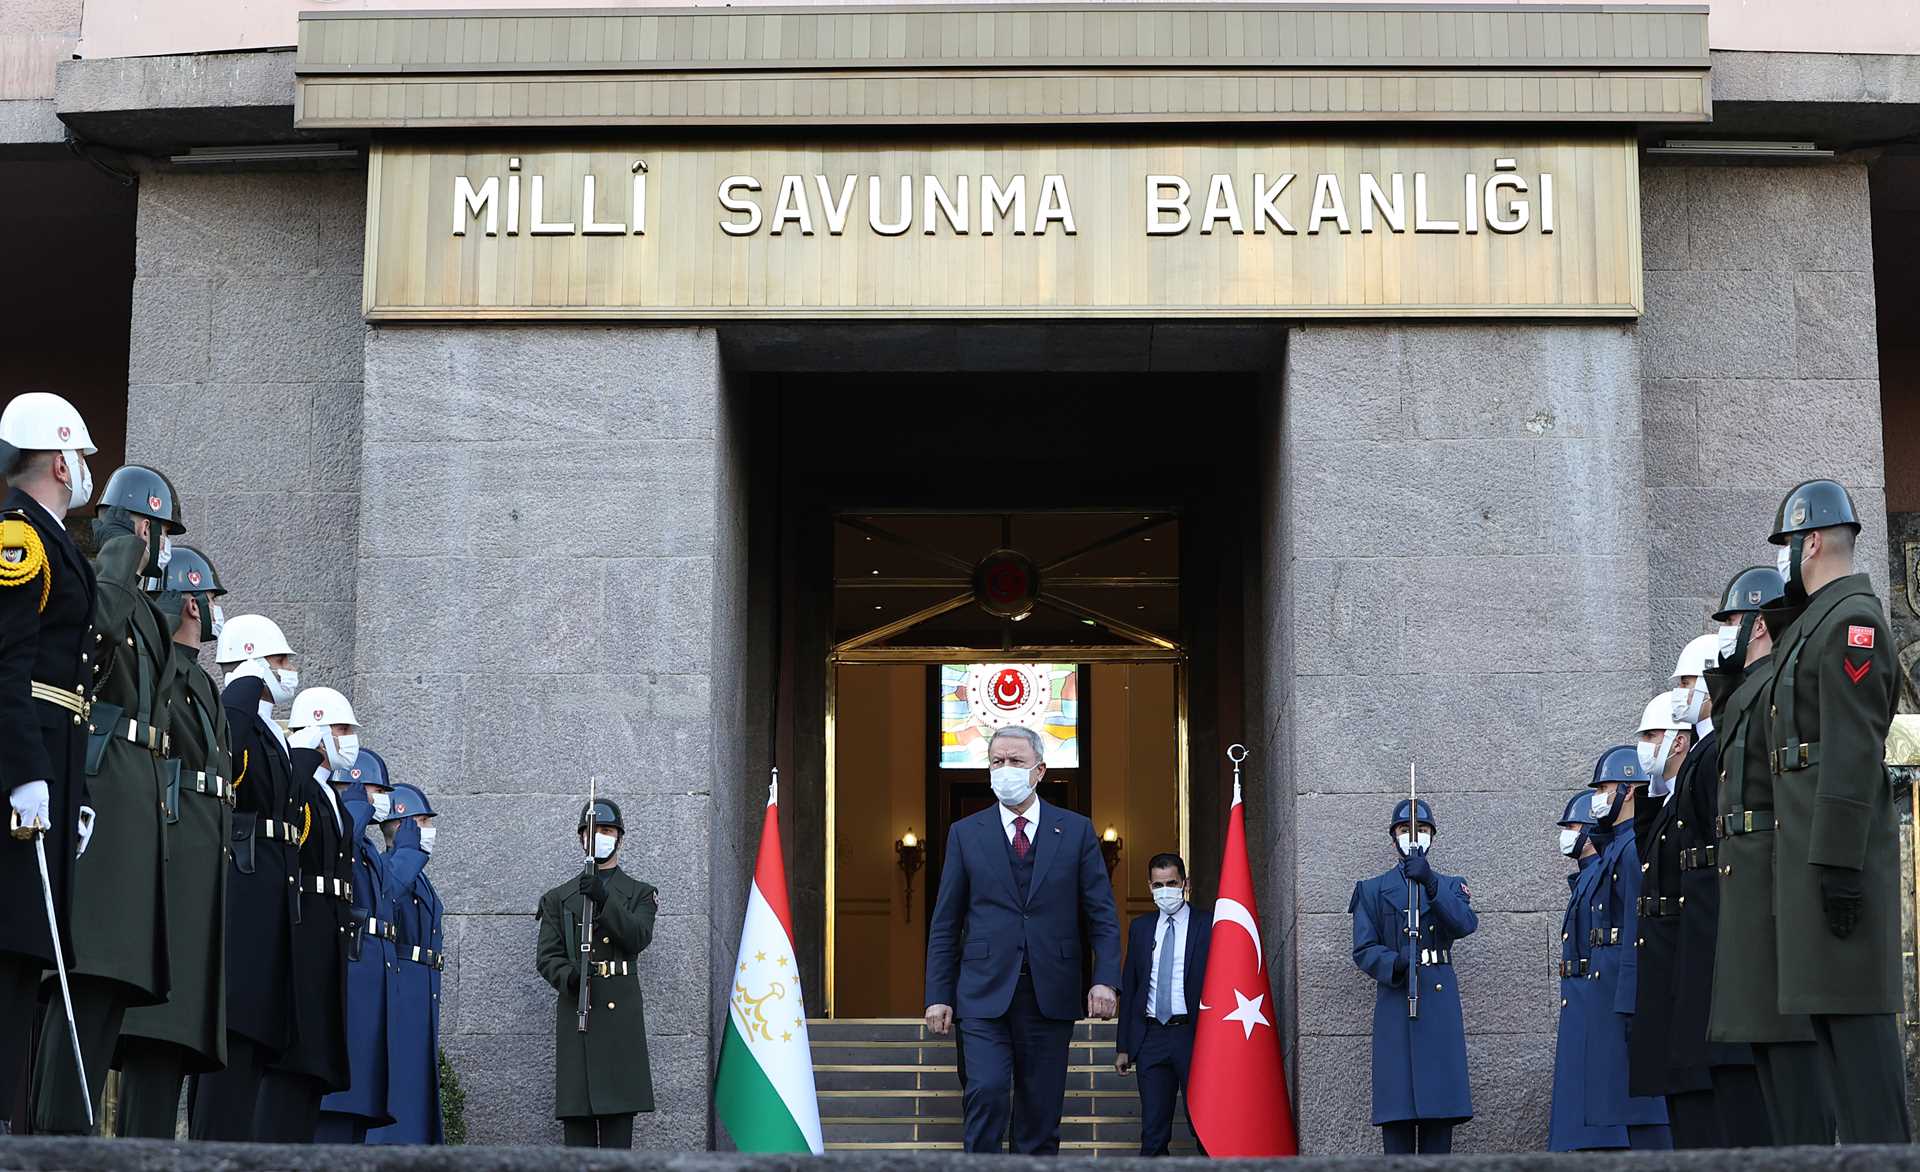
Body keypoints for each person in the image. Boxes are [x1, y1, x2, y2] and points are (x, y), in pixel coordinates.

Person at [32, 464, 183, 1135]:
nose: (163, 545)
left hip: (137, 806)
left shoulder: (145, 609)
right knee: (86, 979)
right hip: (104, 796)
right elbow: (91, 644)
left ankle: (77, 1136)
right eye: (159, 529)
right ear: (140, 526)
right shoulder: (100, 580)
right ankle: (55, 1136)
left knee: (113, 987)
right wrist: (121, 552)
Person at [1760, 479, 1910, 1142]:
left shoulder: (1852, 623)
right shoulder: (1816, 622)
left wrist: (1839, 864)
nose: (1785, 558)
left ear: (1811, 541)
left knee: (1864, 1068)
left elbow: (1850, 749)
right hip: (1813, 865)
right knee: (1837, 1057)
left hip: (1835, 865)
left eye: (1789, 544)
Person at [923, 724, 1121, 1155]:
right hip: (982, 992)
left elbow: (1101, 915)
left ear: (1040, 770)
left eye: (1016, 761)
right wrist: (938, 995)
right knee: (987, 1091)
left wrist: (1105, 979)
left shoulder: (1075, 830)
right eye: (997, 762)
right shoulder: (965, 833)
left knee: (1040, 1114)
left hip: (1050, 991)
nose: (1005, 769)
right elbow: (945, 923)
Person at [1707, 562, 1839, 1145]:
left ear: (1758, 624)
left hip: (1774, 894)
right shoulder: (1748, 692)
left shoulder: (1775, 688)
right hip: (1752, 893)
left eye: (1731, 620)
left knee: (1796, 1073)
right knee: (1771, 1063)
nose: (1722, 633)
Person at [0, 391, 98, 1136]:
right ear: (60, 461)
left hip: (55, 759)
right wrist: (24, 771)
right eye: (81, 458)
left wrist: (74, 785)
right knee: (10, 946)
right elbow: (9, 663)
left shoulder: (54, 540)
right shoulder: (19, 538)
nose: (86, 470)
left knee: (32, 951)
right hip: (25, 764)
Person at [116, 546, 234, 1138]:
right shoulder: (165, 669)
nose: (213, 609)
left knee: (180, 1032)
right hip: (173, 854)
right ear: (190, 601)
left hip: (201, 860)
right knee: (157, 1033)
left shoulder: (203, 683)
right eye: (208, 597)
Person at [190, 613, 303, 1140]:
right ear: (254, 660)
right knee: (236, 1032)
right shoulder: (235, 714)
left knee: (255, 1036)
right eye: (280, 661)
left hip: (269, 888)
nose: (288, 671)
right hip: (244, 882)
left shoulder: (268, 729)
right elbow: (225, 760)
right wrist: (242, 689)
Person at [1666, 609, 1772, 1149]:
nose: (1683, 692)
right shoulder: (1704, 750)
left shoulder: (1718, 745)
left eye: (1689, 680)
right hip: (1703, 923)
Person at [254, 686, 359, 1142]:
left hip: (326, 930)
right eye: (341, 729)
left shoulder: (328, 794)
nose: (349, 739)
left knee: (314, 1058)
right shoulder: (298, 782)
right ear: (317, 730)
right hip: (302, 926)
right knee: (292, 1059)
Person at [1347, 799, 1475, 1155]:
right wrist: (1395, 962)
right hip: (1397, 1003)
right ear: (1394, 837)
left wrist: (1430, 883)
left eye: (1421, 830)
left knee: (1438, 1120)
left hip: (1437, 1004)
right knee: (1397, 1119)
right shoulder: (1371, 890)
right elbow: (1363, 948)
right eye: (1405, 830)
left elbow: (1464, 924)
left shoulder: (1450, 886)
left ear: (1432, 836)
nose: (1413, 837)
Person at [537, 799, 657, 1149]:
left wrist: (605, 900)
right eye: (592, 831)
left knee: (618, 1140)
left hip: (619, 1023)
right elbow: (547, 956)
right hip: (580, 1015)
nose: (599, 837)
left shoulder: (640, 893)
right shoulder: (559, 898)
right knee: (579, 1141)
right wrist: (570, 976)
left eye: (607, 830)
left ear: (619, 837)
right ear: (581, 838)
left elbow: (637, 937)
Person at [1626, 683, 1704, 1142]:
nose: (1644, 746)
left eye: (1651, 736)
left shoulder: (1691, 793)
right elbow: (1649, 860)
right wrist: (1653, 793)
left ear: (1678, 742)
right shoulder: (1666, 800)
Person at [1585, 745, 1672, 1150]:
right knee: (1624, 1106)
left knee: (1643, 1113)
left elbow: (1638, 926)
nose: (1599, 797)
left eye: (1605, 788)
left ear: (1629, 790)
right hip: (1609, 984)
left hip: (1624, 986)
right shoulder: (1616, 846)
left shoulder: (1632, 847)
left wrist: (1631, 998)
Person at [316, 746, 399, 1143]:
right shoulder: (343, 831)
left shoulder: (367, 848)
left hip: (369, 987)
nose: (382, 799)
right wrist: (352, 812)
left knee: (356, 1122)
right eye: (376, 790)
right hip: (348, 981)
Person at [1115, 851, 1211, 1157]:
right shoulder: (1141, 928)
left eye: (1172, 883)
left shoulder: (1208, 924)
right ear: (1149, 887)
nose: (1165, 891)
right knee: (1153, 1134)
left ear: (1185, 884)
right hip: (1151, 1037)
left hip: (1194, 1036)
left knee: (1206, 1129)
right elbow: (1131, 986)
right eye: (1158, 885)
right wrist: (1123, 1046)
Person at [369, 778, 446, 1145]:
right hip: (400, 989)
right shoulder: (387, 871)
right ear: (401, 825)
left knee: (417, 1091)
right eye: (422, 822)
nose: (429, 829)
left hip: (421, 991)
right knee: (399, 1087)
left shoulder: (419, 877)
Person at [1550, 789, 1626, 1152]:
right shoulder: (1587, 876)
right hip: (1579, 994)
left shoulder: (1601, 872)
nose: (1567, 834)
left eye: (1573, 826)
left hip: (1592, 992)